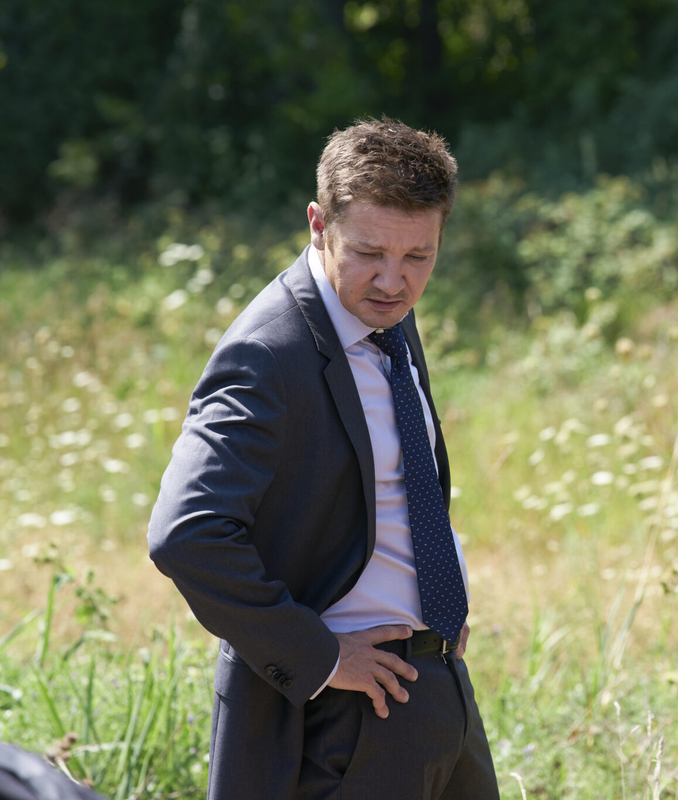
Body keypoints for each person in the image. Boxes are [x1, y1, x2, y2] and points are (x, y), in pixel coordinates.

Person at [148, 118, 499, 799]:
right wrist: (321, 656)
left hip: (441, 690)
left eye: (419, 255)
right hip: (346, 720)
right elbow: (185, 534)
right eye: (369, 252)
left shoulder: (384, 313)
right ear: (318, 225)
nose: (394, 280)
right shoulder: (267, 354)